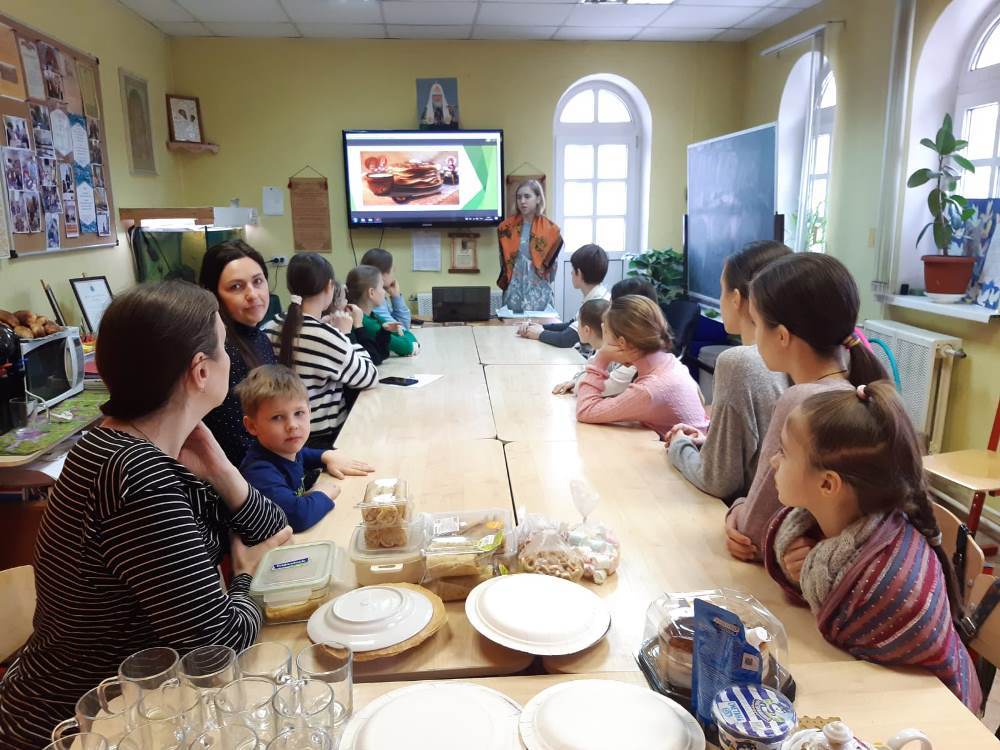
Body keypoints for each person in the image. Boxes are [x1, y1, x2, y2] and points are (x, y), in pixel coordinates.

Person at [0, 282, 292, 749]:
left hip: (137, 705)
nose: (230, 360)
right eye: (223, 348)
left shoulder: (128, 443)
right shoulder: (136, 476)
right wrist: (245, 576)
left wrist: (220, 470)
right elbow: (216, 651)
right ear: (200, 371)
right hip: (83, 727)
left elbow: (274, 530)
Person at [763, 383, 981, 710]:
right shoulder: (827, 528)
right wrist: (803, 575)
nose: (773, 461)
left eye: (783, 452)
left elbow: (882, 691)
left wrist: (811, 579)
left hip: (934, 714)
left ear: (828, 484)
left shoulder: (889, 585)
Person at [724, 253, 887, 562]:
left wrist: (737, 508)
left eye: (757, 324)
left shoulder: (801, 401)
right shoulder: (856, 387)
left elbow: (752, 532)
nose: (754, 336)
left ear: (782, 336)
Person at [666, 241, 791, 503]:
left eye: (721, 290)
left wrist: (678, 444)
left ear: (736, 298)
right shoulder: (792, 356)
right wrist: (710, 442)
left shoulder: (739, 362)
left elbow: (717, 480)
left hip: (743, 516)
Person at [264, 253, 380, 448]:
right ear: (329, 286)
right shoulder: (326, 336)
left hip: (282, 436)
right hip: (323, 439)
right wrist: (346, 335)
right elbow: (369, 376)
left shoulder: (270, 326)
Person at [238, 365, 364, 532]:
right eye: (277, 417)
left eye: (299, 413)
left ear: (309, 411)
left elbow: (303, 454)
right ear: (252, 426)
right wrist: (322, 493)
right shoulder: (260, 471)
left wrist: (326, 455)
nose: (292, 425)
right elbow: (298, 517)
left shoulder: (283, 449)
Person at [576, 295, 708, 438]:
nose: (604, 341)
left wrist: (601, 358)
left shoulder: (649, 389)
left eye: (605, 332)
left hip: (686, 451)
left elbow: (585, 410)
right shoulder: (668, 362)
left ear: (622, 343)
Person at [199, 240, 277, 466]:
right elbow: (239, 445)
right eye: (236, 287)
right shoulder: (223, 353)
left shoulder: (259, 337)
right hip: (248, 477)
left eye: (258, 281)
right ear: (213, 295)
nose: (252, 294)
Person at [518, 243, 610, 348]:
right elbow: (570, 326)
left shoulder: (597, 303)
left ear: (579, 273)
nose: (571, 273)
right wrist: (539, 327)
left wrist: (539, 333)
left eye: (573, 269)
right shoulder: (599, 295)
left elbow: (566, 339)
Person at [497, 179, 563, 313]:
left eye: (527, 196)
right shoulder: (505, 228)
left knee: (539, 326)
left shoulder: (551, 230)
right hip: (513, 293)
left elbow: (552, 269)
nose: (522, 201)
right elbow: (503, 264)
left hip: (539, 294)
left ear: (538, 198)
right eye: (519, 197)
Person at [346, 264, 419, 358]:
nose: (384, 292)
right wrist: (410, 343)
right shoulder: (365, 322)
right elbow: (406, 347)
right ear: (371, 293)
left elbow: (403, 331)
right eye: (382, 287)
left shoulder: (372, 315)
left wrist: (407, 339)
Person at [552, 298, 612, 395]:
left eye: (578, 323)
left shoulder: (607, 355)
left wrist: (578, 383)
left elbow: (590, 386)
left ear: (587, 330)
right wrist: (575, 381)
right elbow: (587, 371)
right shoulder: (597, 348)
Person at [359, 247, 412, 331]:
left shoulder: (373, 294)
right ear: (381, 275)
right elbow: (400, 330)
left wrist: (396, 297)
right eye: (392, 270)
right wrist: (397, 298)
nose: (393, 274)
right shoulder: (372, 300)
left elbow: (401, 325)